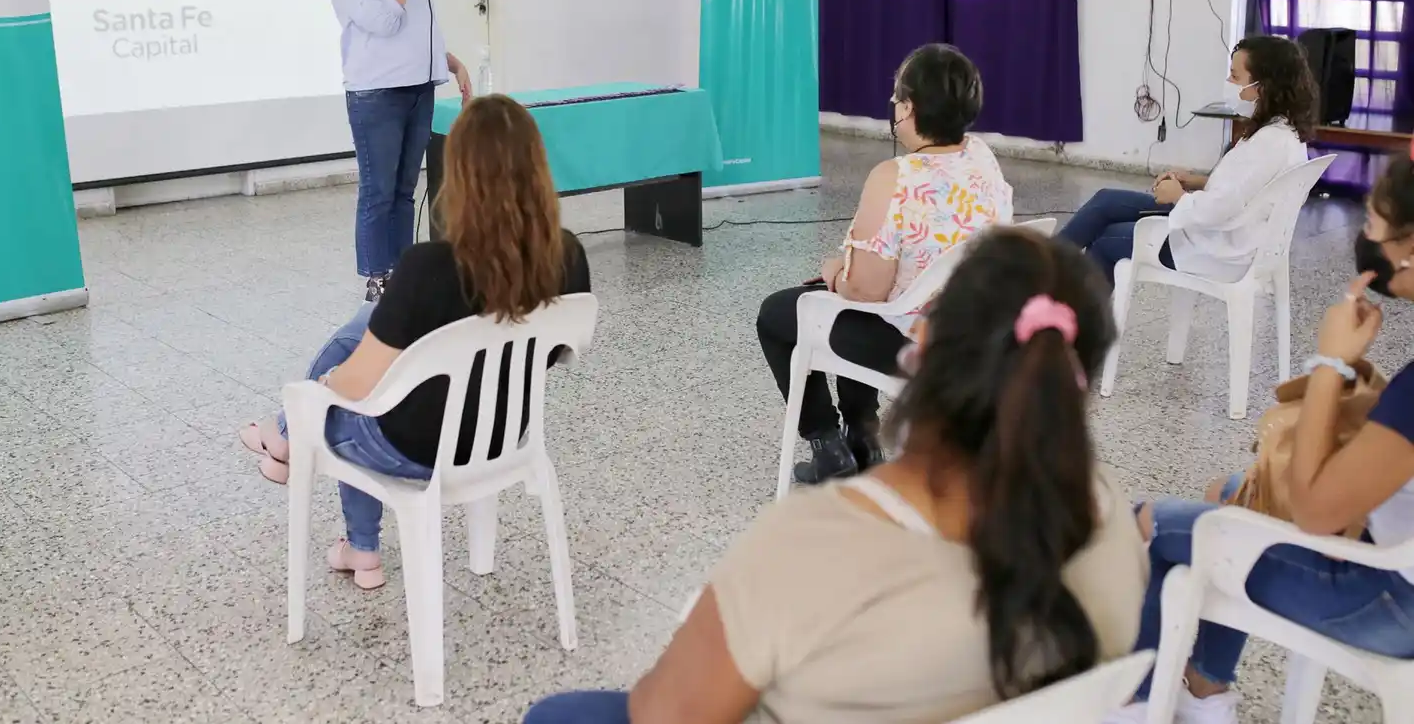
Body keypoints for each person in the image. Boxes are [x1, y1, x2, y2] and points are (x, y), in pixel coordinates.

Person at [527, 229, 1148, 724]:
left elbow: (665, 713)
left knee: (561, 714)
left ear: (921, 344)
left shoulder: (818, 541)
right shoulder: (1108, 516)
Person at [1107, 153, 1414, 724]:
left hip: (1390, 603)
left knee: (1147, 525)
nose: (1364, 238)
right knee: (1235, 495)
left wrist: (1330, 364)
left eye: (1372, 224)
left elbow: (1315, 510)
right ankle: (1204, 693)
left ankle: (1134, 703)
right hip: (1394, 562)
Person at [238, 96, 590, 589]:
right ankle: (295, 457)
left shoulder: (427, 268)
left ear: (459, 177)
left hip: (412, 448)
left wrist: (322, 385)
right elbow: (559, 352)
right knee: (366, 323)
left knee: (331, 397)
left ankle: (297, 454)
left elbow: (356, 388)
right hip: (503, 438)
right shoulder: (569, 257)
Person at [756, 43, 1013, 485]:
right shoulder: (981, 156)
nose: (893, 106)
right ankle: (863, 437)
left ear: (909, 108)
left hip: (918, 348)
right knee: (862, 303)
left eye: (897, 98)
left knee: (777, 313)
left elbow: (865, 291)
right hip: (979, 334)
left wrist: (837, 272)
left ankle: (826, 445)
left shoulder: (896, 176)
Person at [1059, 35, 1316, 286]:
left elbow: (1220, 208)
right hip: (1223, 232)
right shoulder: (1281, 133)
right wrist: (1195, 181)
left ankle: (1056, 289)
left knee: (1106, 240)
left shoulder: (1269, 143)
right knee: (1106, 201)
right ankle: (1045, 267)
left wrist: (1179, 196)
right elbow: (1246, 191)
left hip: (1215, 249)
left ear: (1263, 87)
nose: (1229, 82)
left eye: (1235, 77)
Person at [329, 0, 473, 302]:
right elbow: (384, 21)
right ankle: (377, 279)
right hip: (377, 94)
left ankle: (402, 271)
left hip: (418, 88)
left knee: (406, 189)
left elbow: (418, 25)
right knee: (379, 190)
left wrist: (449, 60)